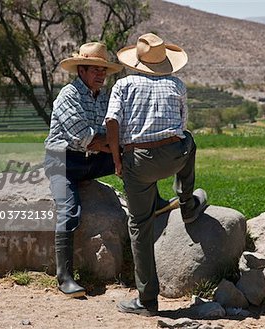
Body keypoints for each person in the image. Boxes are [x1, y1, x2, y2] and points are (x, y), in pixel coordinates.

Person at [105, 33, 208, 315]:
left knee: (139, 225)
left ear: (136, 60)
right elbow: (181, 125)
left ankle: (147, 301)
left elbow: (112, 121)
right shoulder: (177, 84)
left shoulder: (123, 85)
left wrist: (117, 158)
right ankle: (187, 202)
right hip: (174, 156)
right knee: (189, 140)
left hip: (137, 161)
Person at [44, 42, 122, 298]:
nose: (100, 75)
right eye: (95, 70)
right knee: (69, 210)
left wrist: (120, 147)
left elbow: (112, 131)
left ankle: (154, 202)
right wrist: (115, 148)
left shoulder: (104, 96)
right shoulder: (68, 96)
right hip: (64, 162)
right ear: (81, 70)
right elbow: (87, 137)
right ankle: (64, 277)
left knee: (134, 158)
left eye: (103, 71)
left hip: (92, 159)